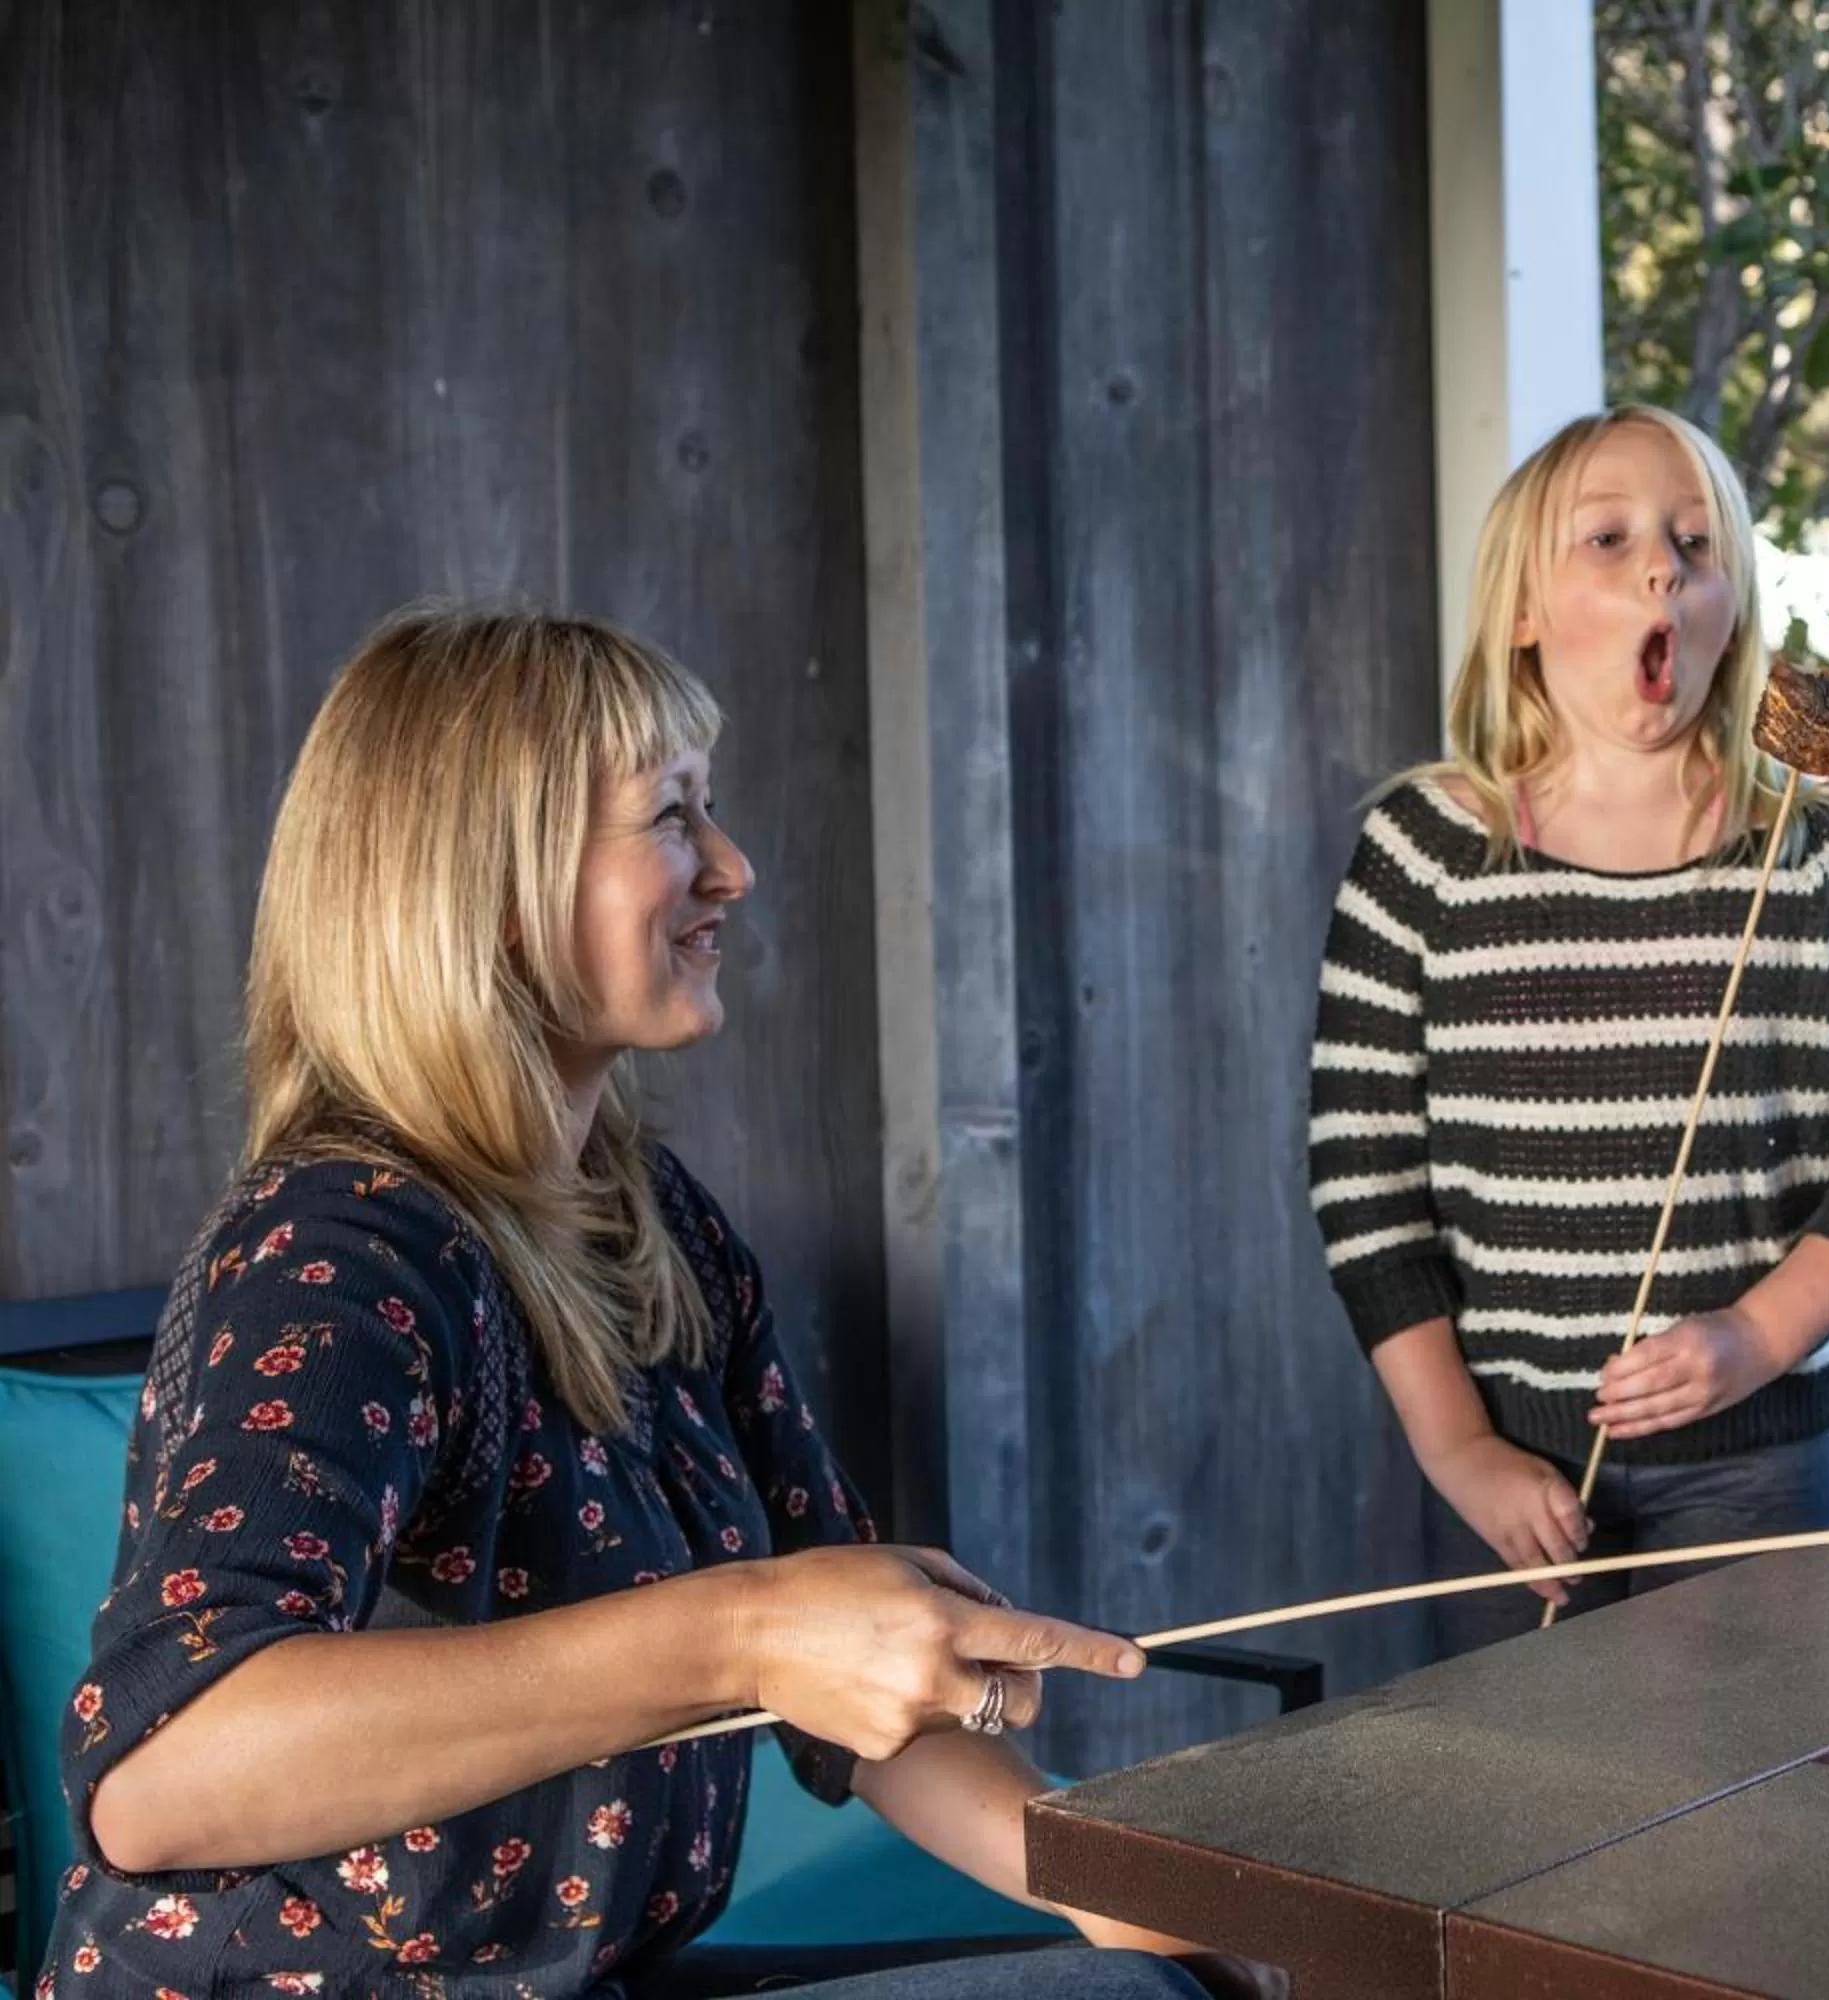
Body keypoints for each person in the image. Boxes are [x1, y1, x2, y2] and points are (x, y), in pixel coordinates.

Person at [44, 606, 1228, 1999]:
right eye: (672, 816)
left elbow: (847, 1667)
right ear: (484, 884)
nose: (731, 868)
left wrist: (1128, 1901)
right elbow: (165, 1773)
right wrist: (734, 1633)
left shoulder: (652, 1221)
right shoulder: (339, 1252)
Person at [1305, 405, 1829, 1658]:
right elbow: (1368, 1186)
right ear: (1523, 614)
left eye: (1695, 543)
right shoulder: (1426, 852)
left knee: (1754, 1828)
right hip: (1509, 1478)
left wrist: (1755, 1336)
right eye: (1608, 539)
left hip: (1758, 1472)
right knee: (1526, 1825)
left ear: (1731, 611)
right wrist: (1459, 1450)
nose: (1663, 562)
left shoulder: (1817, 850)